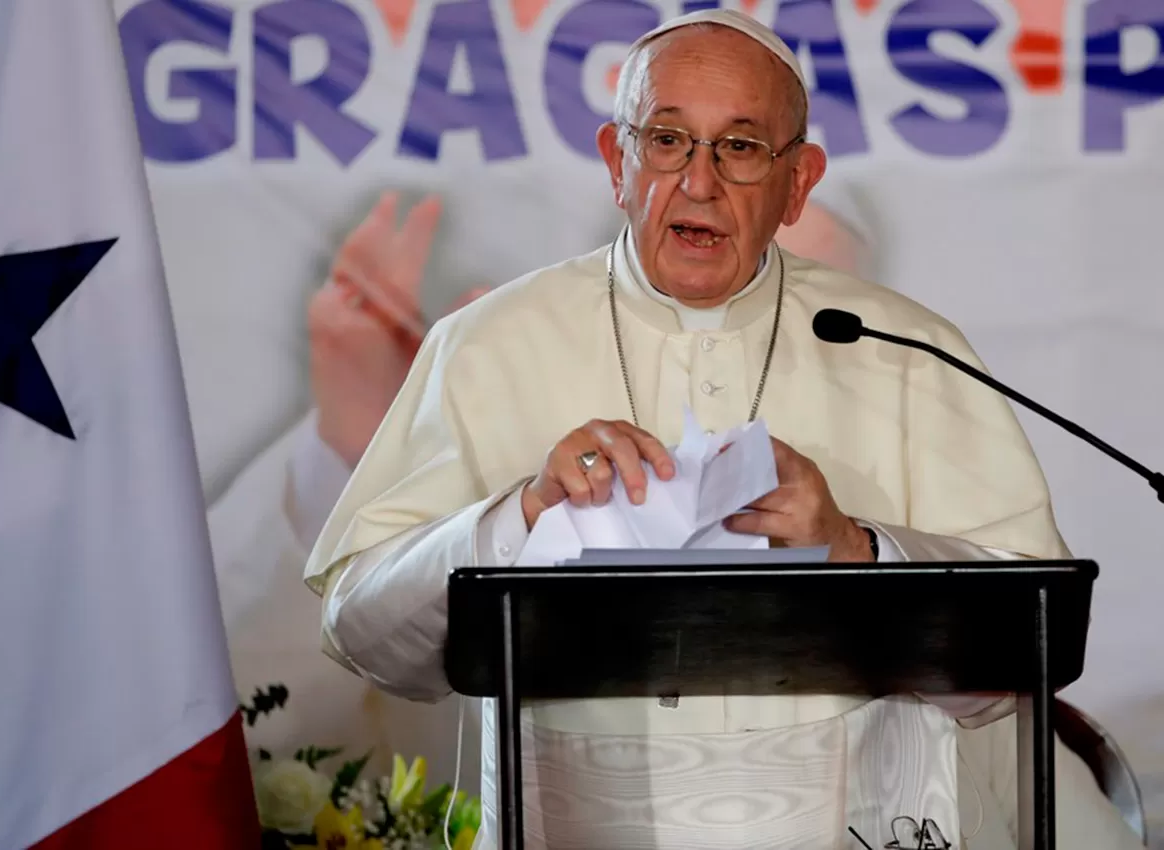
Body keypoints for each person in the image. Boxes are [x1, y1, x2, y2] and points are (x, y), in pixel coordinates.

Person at [302, 9, 1141, 849]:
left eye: (740, 148)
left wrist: (855, 550)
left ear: (798, 182)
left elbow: (1020, 658)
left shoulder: (907, 350)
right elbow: (367, 638)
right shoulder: (487, 345)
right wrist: (519, 518)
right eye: (666, 140)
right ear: (616, 162)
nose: (698, 182)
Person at [210, 185, 871, 783]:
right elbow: (255, 717)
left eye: (785, 295)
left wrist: (850, 546)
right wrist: (351, 438)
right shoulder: (524, 440)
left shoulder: (893, 461)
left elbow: (968, 704)